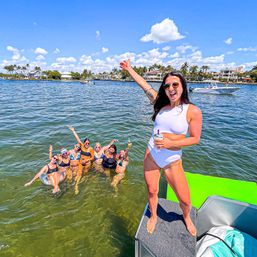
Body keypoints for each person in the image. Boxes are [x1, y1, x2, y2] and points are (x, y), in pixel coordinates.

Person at [120, 59, 202, 236]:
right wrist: (129, 69)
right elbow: (144, 85)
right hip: (152, 153)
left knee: (185, 200)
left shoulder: (192, 111)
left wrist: (171, 144)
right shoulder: (159, 104)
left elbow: (195, 139)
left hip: (172, 159)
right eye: (167, 86)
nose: (171, 88)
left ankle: (186, 217)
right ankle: (154, 216)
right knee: (152, 190)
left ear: (182, 86)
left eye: (175, 84)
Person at [68, 126, 94, 194]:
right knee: (79, 173)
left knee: (85, 174)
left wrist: (87, 159)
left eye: (88, 143)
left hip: (87, 164)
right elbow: (77, 138)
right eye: (86, 142)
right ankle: (76, 185)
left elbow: (92, 157)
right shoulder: (81, 145)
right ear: (84, 142)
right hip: (80, 163)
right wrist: (73, 131)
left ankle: (82, 182)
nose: (87, 144)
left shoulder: (91, 149)